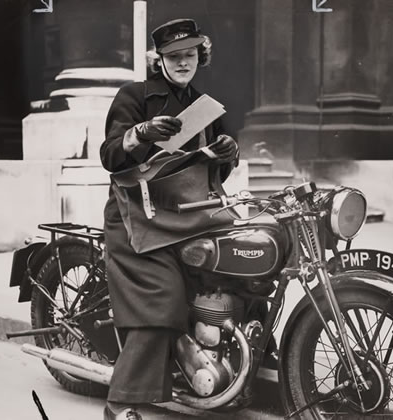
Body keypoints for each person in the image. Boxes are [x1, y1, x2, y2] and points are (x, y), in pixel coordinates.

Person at [100, 18, 239, 420]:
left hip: (191, 214)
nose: (182, 62)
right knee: (163, 298)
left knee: (239, 268)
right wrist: (141, 132)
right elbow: (109, 156)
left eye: (190, 54)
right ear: (158, 60)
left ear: (200, 56)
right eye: (173, 55)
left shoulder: (207, 107)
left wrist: (229, 153)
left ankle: (236, 363)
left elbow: (214, 173)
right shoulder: (133, 96)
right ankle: (121, 402)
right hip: (139, 218)